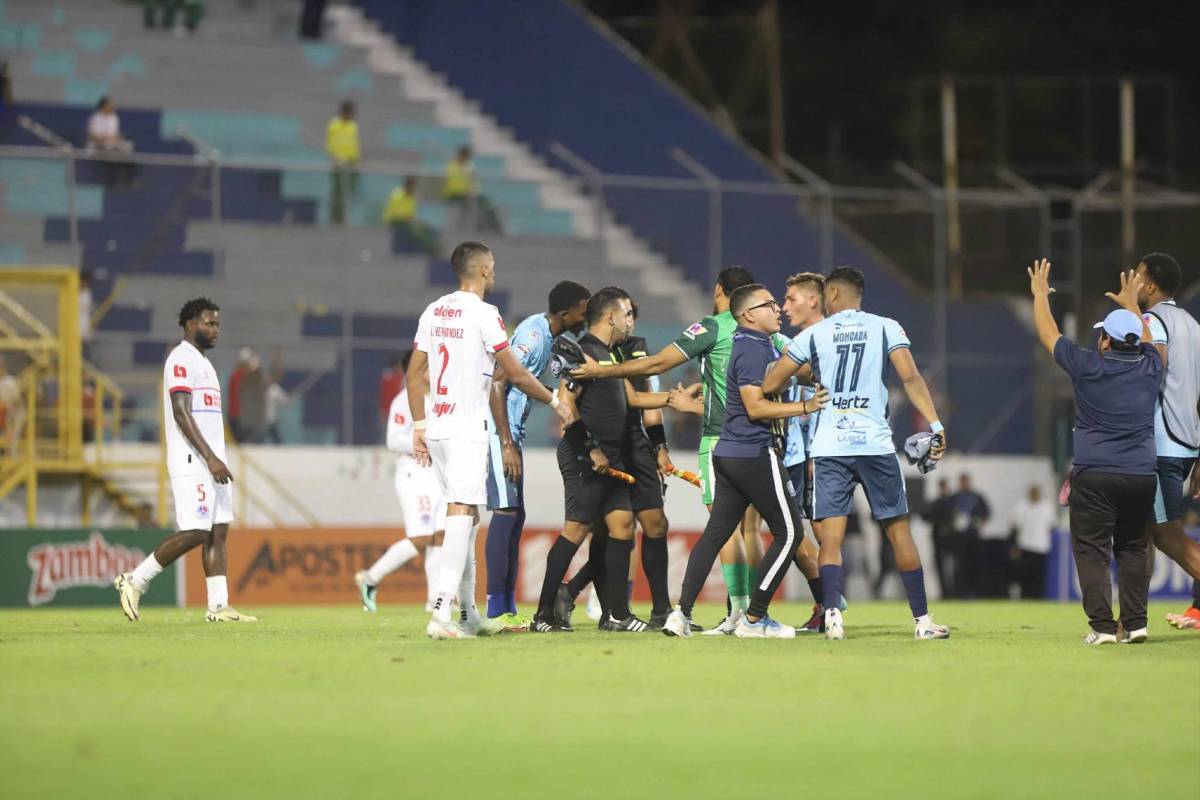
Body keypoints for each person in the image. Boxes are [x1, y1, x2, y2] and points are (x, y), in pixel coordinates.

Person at [570, 267, 772, 634]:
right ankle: (780, 609)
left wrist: (602, 372)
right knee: (757, 529)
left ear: (718, 290)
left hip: (720, 441)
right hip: (764, 440)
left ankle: (735, 613)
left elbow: (658, 364)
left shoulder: (710, 328)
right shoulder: (768, 332)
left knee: (721, 529)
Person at [762, 266, 950, 640]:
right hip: (875, 445)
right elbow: (910, 378)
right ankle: (923, 622)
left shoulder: (815, 334)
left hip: (830, 447)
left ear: (830, 296)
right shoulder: (886, 327)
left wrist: (810, 379)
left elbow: (771, 381)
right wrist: (935, 426)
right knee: (899, 533)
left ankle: (832, 616)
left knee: (830, 539)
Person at [407, 241, 572, 639]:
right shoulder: (485, 314)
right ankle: (442, 614)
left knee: (465, 515)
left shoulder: (434, 310)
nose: (494, 273)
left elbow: (414, 374)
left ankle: (467, 616)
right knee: (463, 513)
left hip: (439, 427)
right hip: (466, 428)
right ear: (482, 269)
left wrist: (418, 427)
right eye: (492, 266)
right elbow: (513, 373)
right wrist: (554, 400)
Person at [663, 284, 829, 638]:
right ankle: (755, 618)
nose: (778, 309)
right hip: (753, 451)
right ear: (749, 314)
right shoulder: (754, 348)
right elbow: (755, 407)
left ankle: (680, 614)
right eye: (769, 304)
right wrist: (804, 406)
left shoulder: (745, 344)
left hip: (727, 452)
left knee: (715, 534)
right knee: (790, 533)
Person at [531, 287, 695, 633]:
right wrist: (589, 447)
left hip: (614, 459)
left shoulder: (610, 357)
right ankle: (544, 614)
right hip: (586, 456)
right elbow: (566, 405)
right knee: (575, 531)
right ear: (610, 317)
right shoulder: (583, 352)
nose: (629, 321)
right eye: (626, 315)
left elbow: (632, 398)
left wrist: (673, 400)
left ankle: (616, 614)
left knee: (622, 528)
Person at [1029, 259, 1159, 644]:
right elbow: (1147, 339)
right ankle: (1135, 624)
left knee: (1091, 550)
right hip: (1141, 474)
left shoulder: (1089, 366)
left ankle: (1102, 628)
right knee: (1135, 548)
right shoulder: (1151, 367)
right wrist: (1133, 306)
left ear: (1105, 342)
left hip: (1096, 473)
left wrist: (1039, 294)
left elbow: (1048, 333)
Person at [114, 297, 257, 623]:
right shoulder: (180, 358)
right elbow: (181, 413)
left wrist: (217, 457)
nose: (215, 329)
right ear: (190, 323)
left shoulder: (205, 364)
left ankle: (219, 607)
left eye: (218, 323)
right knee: (195, 530)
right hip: (193, 461)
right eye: (209, 322)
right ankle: (134, 580)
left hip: (212, 461)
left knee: (218, 531)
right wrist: (209, 457)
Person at [485, 280, 590, 630]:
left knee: (515, 516)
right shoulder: (533, 335)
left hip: (510, 431)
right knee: (505, 512)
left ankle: (506, 610)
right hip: (497, 433)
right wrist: (505, 443)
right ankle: (494, 610)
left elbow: (521, 382)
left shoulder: (545, 335)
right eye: (582, 311)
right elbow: (498, 382)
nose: (585, 317)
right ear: (565, 313)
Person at [1128, 252, 1200, 630]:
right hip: (1187, 445)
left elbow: (1150, 372)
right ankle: (1133, 621)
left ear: (1151, 285)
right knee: (1144, 532)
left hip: (1161, 444)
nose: (1133, 280)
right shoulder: (1192, 324)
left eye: (1138, 275)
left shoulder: (1151, 321)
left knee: (1168, 537)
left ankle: (1130, 621)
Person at [780, 272, 842, 631]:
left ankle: (829, 604)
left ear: (813, 300)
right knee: (797, 532)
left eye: (791, 300)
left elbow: (821, 400)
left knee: (811, 532)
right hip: (800, 452)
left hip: (815, 454)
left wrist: (814, 458)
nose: (786, 307)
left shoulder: (824, 343)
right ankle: (828, 603)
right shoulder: (801, 341)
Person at [355, 373, 446, 614]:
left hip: (437, 474)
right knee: (420, 539)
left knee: (440, 535)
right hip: (414, 474)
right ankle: (370, 578)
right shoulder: (404, 400)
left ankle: (434, 600)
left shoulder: (440, 396)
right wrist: (425, 443)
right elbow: (393, 440)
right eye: (427, 365)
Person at [949, 473, 991, 598]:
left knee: (976, 564)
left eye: (966, 481)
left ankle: (976, 592)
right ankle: (960, 592)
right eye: (962, 481)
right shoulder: (954, 497)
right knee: (960, 565)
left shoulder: (977, 497)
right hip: (959, 537)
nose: (964, 484)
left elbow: (986, 513)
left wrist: (980, 522)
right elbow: (948, 514)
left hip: (973, 536)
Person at [1009, 484, 1055, 599]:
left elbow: (1051, 526)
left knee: (1039, 576)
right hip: (1025, 546)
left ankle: (1038, 598)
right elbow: (1015, 527)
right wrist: (1015, 546)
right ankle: (1025, 598)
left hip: (1041, 547)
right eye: (1032, 492)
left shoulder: (1047, 507)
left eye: (1036, 492)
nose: (1034, 494)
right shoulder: (1021, 507)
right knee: (1025, 576)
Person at [87, 96, 135, 186]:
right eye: (110, 104)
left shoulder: (114, 118)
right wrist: (105, 139)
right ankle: (113, 181)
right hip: (98, 148)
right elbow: (93, 137)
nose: (112, 106)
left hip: (112, 146)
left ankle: (131, 180)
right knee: (114, 155)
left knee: (128, 155)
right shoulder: (96, 118)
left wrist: (118, 138)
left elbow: (115, 135)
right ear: (104, 105)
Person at [922, 478, 957, 598]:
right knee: (940, 566)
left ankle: (953, 591)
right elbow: (925, 516)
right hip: (939, 539)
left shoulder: (952, 502)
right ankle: (945, 592)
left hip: (951, 539)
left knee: (952, 566)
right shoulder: (937, 503)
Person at [383, 176, 438, 253]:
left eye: (414, 186)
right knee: (415, 231)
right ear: (407, 185)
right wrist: (413, 222)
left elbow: (411, 214)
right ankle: (431, 248)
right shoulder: (397, 194)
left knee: (428, 228)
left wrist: (418, 223)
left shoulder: (412, 197)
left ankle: (434, 245)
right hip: (395, 221)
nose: (413, 188)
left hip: (406, 221)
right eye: (412, 186)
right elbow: (398, 214)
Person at [327, 101, 360, 224]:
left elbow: (354, 144)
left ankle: (345, 217)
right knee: (337, 192)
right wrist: (336, 158)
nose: (351, 115)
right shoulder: (334, 125)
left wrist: (354, 160)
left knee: (348, 191)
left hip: (351, 163)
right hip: (338, 164)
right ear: (344, 112)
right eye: (350, 112)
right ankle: (335, 219)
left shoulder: (353, 126)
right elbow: (331, 144)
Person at [0, 354, 25, 455]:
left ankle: (12, 456)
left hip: (15, 414)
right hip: (6, 414)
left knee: (12, 440)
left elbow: (17, 402)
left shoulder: (9, 382)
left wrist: (10, 416)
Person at [79, 271, 94, 362]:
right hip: (73, 331)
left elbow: (89, 312)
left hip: (85, 329)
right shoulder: (74, 293)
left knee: (85, 356)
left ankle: (86, 374)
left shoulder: (88, 294)